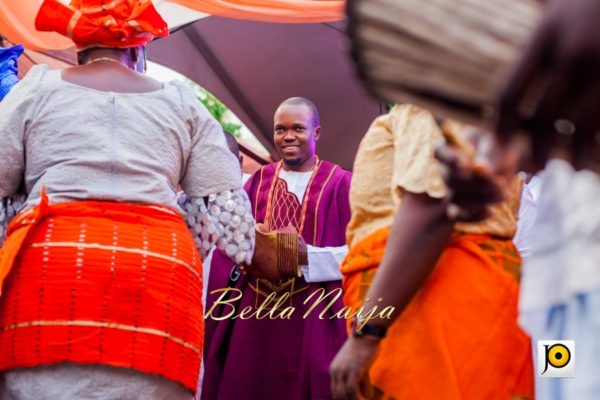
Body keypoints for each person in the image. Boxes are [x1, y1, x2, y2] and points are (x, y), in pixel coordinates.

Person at [0, 1, 255, 399]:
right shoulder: (180, 102)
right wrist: (190, 238)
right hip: (159, 271)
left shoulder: (39, 89)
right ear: (137, 51)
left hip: (55, 265)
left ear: (78, 52)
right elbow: (227, 210)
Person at [330, 105, 533, 399]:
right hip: (430, 300)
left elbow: (431, 207)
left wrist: (368, 332)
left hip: (433, 302)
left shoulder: (430, 97)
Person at [202, 97, 352, 399]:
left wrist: (307, 257)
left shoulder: (341, 184)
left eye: (298, 128)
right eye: (280, 129)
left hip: (314, 314)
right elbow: (228, 246)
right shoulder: (257, 182)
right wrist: (249, 252)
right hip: (257, 316)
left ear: (317, 133)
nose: (288, 137)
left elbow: (359, 251)